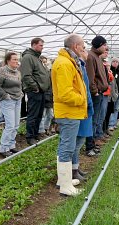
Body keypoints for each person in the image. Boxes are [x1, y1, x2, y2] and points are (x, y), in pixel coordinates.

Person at [52, 33, 87, 196]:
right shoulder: (64, 63)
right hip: (69, 112)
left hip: (70, 112)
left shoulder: (68, 62)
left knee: (65, 145)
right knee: (67, 147)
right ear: (75, 46)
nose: (84, 48)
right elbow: (65, 93)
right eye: (83, 46)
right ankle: (66, 187)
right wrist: (82, 99)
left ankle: (63, 180)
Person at [21, 37, 50, 145]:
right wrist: (35, 87)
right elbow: (26, 75)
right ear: (33, 45)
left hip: (41, 91)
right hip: (35, 91)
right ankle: (30, 136)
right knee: (33, 114)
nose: (42, 47)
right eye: (40, 45)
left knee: (39, 114)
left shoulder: (36, 58)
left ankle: (36, 134)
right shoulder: (28, 57)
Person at [0, 52, 23, 157]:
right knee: (10, 125)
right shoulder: (1, 72)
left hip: (17, 99)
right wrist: (6, 96)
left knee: (16, 125)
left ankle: (11, 145)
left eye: (17, 59)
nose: (16, 61)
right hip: (7, 101)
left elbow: (19, 85)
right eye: (14, 59)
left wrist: (21, 93)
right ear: (8, 60)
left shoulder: (17, 72)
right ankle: (3, 148)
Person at [85, 36, 108, 155]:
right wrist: (95, 91)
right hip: (95, 94)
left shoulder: (97, 57)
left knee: (96, 120)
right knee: (92, 120)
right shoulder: (91, 57)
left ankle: (92, 144)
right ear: (99, 45)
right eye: (104, 45)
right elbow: (90, 77)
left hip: (99, 93)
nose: (106, 47)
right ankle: (89, 146)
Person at [73, 48, 94, 181]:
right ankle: (73, 170)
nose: (87, 54)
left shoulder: (82, 66)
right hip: (81, 107)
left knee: (80, 139)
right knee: (77, 140)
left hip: (85, 106)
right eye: (85, 50)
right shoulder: (77, 66)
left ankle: (75, 167)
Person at [38, 55, 54, 136]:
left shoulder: (49, 71)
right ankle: (41, 131)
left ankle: (46, 128)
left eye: (45, 62)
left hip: (51, 97)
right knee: (43, 114)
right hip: (45, 96)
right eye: (43, 62)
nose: (45, 64)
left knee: (50, 115)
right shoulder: (42, 72)